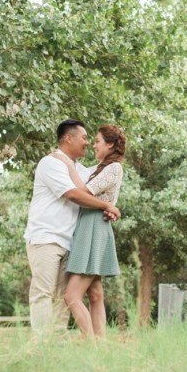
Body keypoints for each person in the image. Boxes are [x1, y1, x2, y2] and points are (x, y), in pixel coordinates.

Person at [23, 119, 120, 334]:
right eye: (85, 138)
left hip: (70, 242)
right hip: (46, 238)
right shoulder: (51, 163)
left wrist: (107, 207)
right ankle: (41, 346)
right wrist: (107, 206)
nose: (88, 143)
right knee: (43, 293)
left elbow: (91, 190)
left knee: (62, 297)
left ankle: (56, 344)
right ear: (69, 138)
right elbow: (73, 194)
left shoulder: (81, 170)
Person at [51, 124, 126, 339]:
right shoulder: (99, 168)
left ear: (110, 144)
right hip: (88, 224)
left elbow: (84, 191)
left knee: (71, 296)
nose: (93, 145)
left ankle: (92, 344)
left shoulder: (114, 168)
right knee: (95, 294)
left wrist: (67, 162)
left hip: (94, 225)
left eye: (97, 141)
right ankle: (100, 346)